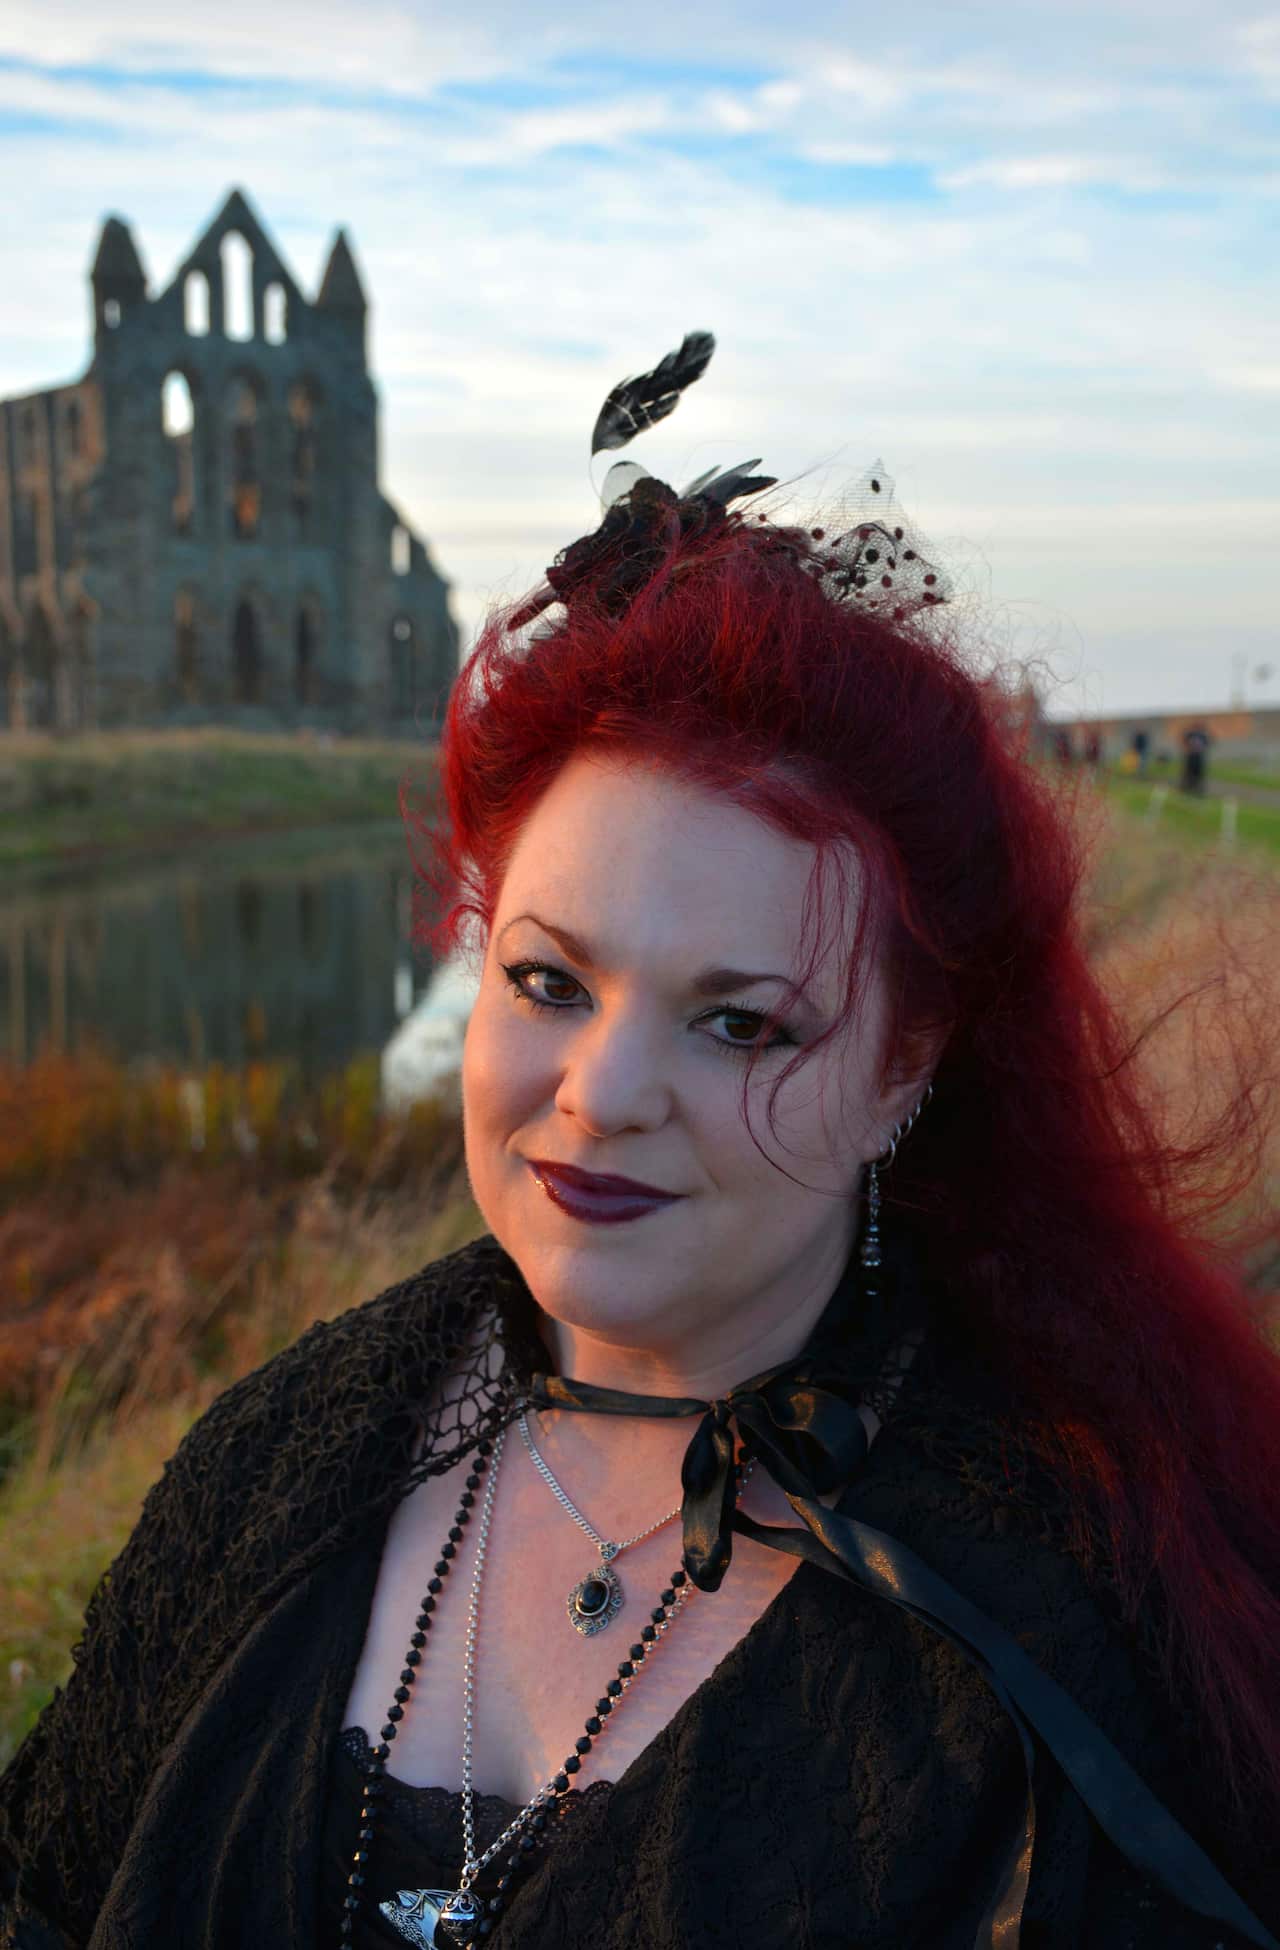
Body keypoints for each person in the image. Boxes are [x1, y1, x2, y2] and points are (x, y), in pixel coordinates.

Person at [2, 335, 1279, 1950]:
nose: (601, 1094)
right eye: (547, 978)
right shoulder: (284, 1459)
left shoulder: (1057, 1656)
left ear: (908, 1070)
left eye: (740, 1020)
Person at [1182, 724, 1211, 796]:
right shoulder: (1190, 734)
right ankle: (1188, 787)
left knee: (1199, 773)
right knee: (1189, 772)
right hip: (1191, 755)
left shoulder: (1203, 735)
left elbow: (1208, 742)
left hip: (1199, 756)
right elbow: (1184, 741)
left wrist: (1201, 748)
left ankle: (1198, 789)